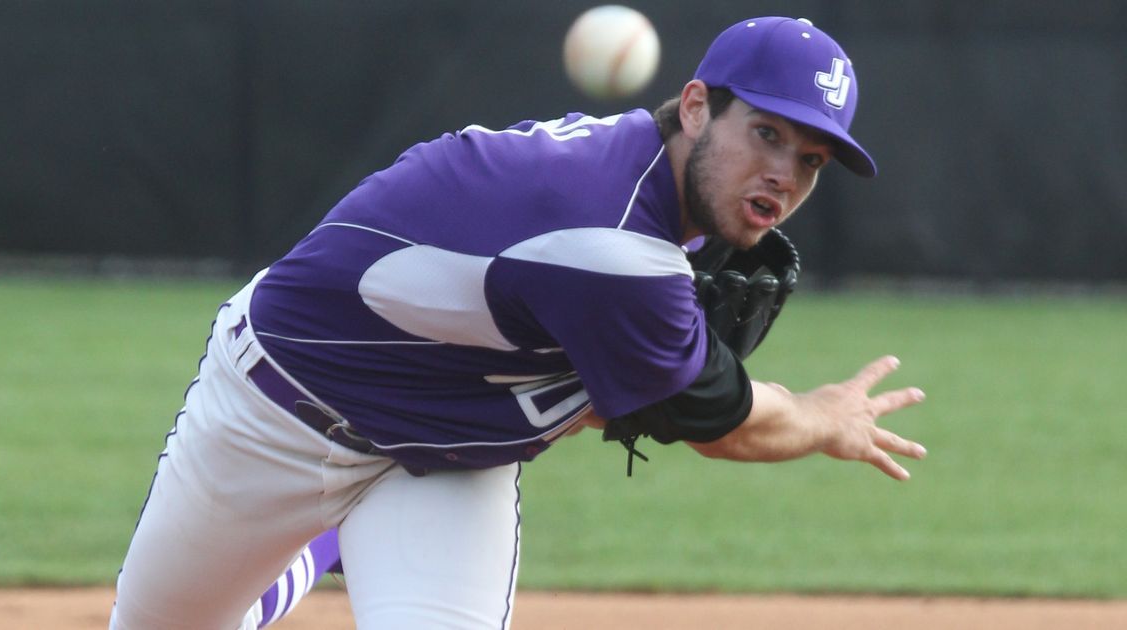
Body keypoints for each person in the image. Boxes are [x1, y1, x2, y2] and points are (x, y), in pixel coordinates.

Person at [110, 15, 926, 630]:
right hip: (269, 416)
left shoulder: (652, 193)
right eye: (767, 133)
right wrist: (821, 417)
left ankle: (337, 538)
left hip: (442, 466)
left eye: (811, 159)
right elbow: (720, 424)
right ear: (695, 107)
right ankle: (313, 551)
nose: (782, 173)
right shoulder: (611, 241)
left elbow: (604, 393)